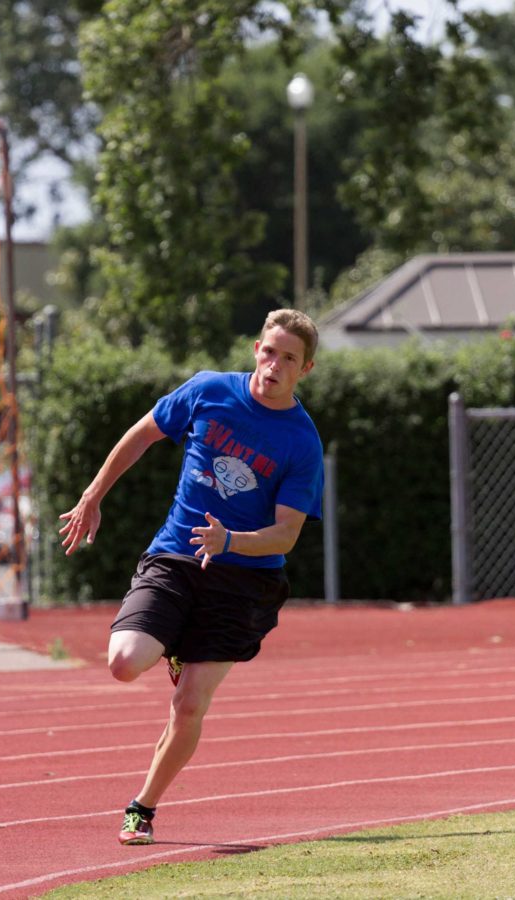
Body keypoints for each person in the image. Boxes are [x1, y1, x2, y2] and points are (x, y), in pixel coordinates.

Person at [59, 308, 324, 845]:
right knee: (124, 663)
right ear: (256, 348)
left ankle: (142, 808)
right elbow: (142, 434)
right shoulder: (207, 391)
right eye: (270, 351)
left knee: (189, 704)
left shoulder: (302, 442)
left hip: (245, 581)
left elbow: (286, 535)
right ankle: (173, 646)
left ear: (306, 369)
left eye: (289, 359)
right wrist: (93, 494)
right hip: (177, 559)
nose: (275, 365)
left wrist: (231, 542)